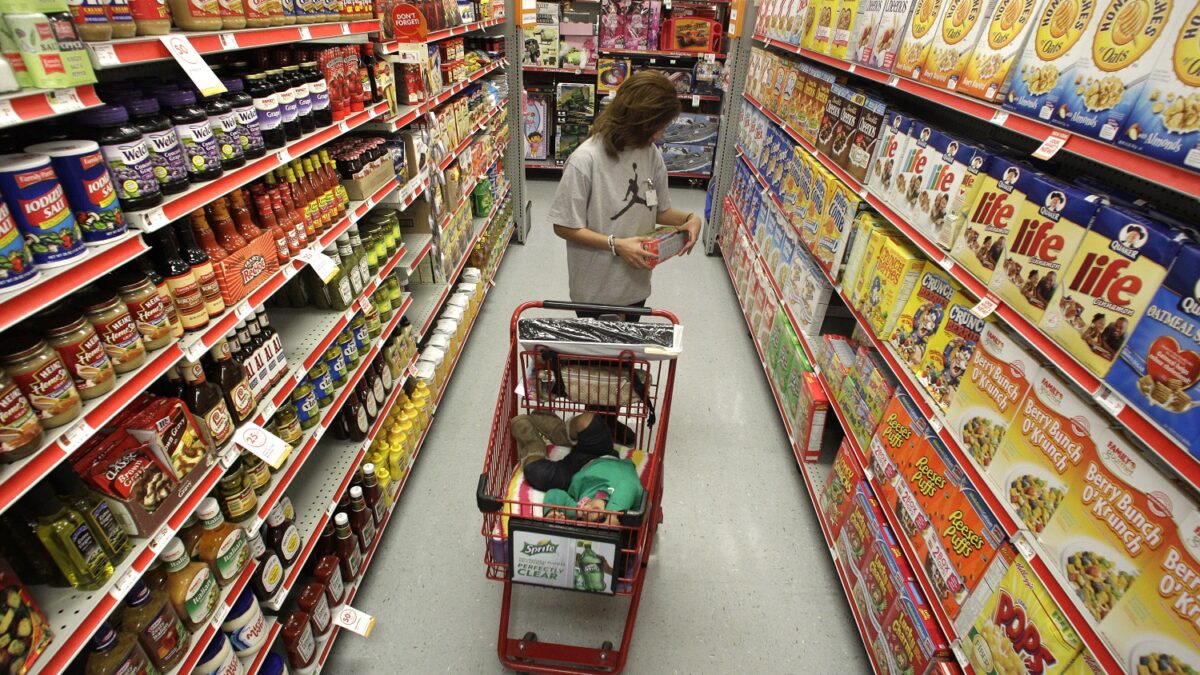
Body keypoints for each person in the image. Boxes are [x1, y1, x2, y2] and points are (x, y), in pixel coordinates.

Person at [548, 72, 703, 320]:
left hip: (636, 283)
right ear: (635, 119)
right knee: (597, 358)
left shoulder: (651, 154)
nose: (659, 134)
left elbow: (658, 210)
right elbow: (564, 225)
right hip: (595, 290)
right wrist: (616, 245)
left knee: (626, 356)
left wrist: (691, 218)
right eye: (656, 126)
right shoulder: (585, 160)